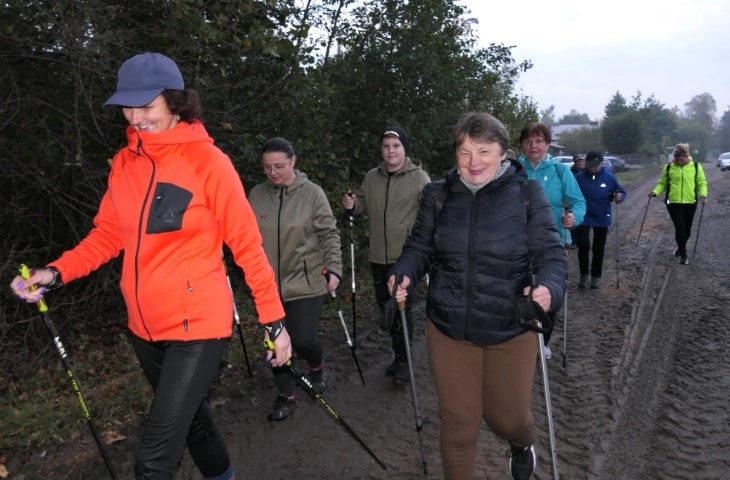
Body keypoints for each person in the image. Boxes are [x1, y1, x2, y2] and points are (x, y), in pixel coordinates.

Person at [10, 52, 292, 480]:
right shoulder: (126, 163)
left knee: (153, 462)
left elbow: (247, 247)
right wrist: (56, 271)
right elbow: (108, 234)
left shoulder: (208, 163)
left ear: (176, 103)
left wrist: (273, 321)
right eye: (128, 106)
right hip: (143, 327)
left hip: (198, 326)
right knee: (193, 422)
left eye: (147, 106)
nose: (135, 117)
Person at [387, 112, 566, 480]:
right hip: (450, 326)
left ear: (503, 152)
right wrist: (404, 271)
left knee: (506, 417)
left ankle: (521, 441)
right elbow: (420, 246)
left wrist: (549, 287)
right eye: (465, 151)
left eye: (483, 151)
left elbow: (551, 254)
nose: (473, 162)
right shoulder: (438, 194)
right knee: (458, 423)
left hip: (510, 326)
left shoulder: (526, 194)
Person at [248, 137, 342, 421]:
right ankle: (286, 394)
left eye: (279, 166)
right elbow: (245, 236)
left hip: (306, 282)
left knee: (302, 339)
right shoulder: (256, 195)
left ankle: (317, 367)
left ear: (293, 161)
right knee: (272, 343)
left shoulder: (312, 194)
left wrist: (333, 267)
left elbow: (329, 233)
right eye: (267, 168)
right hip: (267, 286)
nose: (273, 172)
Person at [341, 125, 431, 384]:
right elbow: (360, 206)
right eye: (386, 146)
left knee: (400, 307)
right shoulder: (372, 177)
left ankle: (405, 361)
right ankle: (399, 355)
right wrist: (351, 205)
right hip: (378, 255)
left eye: (396, 145)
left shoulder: (419, 178)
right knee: (387, 307)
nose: (391, 151)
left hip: (406, 257)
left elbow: (431, 213)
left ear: (405, 148)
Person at [517, 122, 585, 359]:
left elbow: (578, 202)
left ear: (547, 144)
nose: (533, 145)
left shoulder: (560, 171)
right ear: (522, 145)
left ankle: (543, 340)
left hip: (552, 241)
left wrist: (573, 217)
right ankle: (518, 338)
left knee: (547, 289)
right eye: (528, 141)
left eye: (538, 141)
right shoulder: (514, 169)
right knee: (518, 289)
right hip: (516, 242)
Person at [574, 151, 627, 289]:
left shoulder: (609, 178)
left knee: (598, 248)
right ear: (586, 164)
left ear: (601, 164)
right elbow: (571, 193)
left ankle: (595, 276)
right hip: (583, 216)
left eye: (596, 165)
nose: (593, 168)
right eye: (591, 165)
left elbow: (622, 192)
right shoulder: (579, 178)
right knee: (584, 245)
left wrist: (619, 196)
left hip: (602, 216)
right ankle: (584, 274)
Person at [649, 142, 708, 265]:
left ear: (686, 157)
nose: (679, 161)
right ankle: (684, 254)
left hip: (690, 202)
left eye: (682, 159)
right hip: (673, 202)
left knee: (687, 229)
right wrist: (655, 192)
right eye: (677, 159)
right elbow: (662, 184)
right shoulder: (669, 167)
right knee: (680, 227)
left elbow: (701, 183)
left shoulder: (696, 167)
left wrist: (703, 195)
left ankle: (680, 248)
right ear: (674, 157)